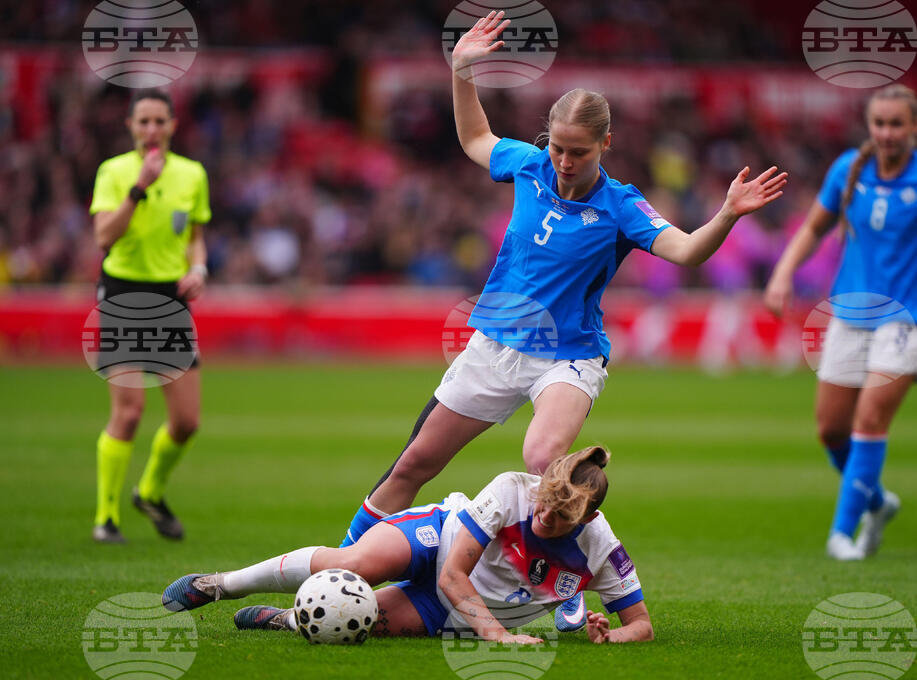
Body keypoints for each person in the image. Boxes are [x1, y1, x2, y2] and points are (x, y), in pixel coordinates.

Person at [338, 10, 786, 630]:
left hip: (569, 355)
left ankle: (560, 576)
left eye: (579, 151)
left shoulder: (622, 206)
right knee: (415, 464)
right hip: (496, 345)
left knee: (544, 453)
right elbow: (474, 138)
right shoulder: (527, 165)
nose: (566, 161)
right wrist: (462, 70)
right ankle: (339, 570)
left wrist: (728, 213)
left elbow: (685, 251)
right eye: (558, 148)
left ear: (606, 144)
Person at [764, 84, 917, 560]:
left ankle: (842, 535)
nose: (887, 133)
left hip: (908, 318)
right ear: (870, 126)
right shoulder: (847, 168)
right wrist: (782, 274)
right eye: (879, 123)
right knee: (831, 430)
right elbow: (815, 227)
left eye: (896, 124)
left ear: (916, 126)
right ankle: (878, 503)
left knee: (870, 418)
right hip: (849, 312)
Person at [162, 446, 653, 644]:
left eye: (561, 516)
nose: (544, 515)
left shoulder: (600, 549)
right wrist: (498, 636)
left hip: (450, 610)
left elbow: (642, 626)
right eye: (544, 502)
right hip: (439, 540)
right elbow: (453, 574)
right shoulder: (512, 489)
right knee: (354, 563)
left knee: (355, 623)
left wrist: (610, 637)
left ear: (588, 518)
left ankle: (286, 619)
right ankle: (221, 584)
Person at [89, 89, 211, 543]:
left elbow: (194, 235)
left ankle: (150, 492)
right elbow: (104, 236)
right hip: (123, 293)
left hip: (170, 297)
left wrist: (198, 268)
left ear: (173, 125)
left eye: (160, 121)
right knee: (129, 413)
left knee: (187, 421)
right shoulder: (114, 171)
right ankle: (106, 518)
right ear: (130, 126)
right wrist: (139, 187)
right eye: (143, 121)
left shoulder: (192, 174)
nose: (152, 129)